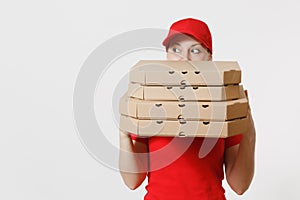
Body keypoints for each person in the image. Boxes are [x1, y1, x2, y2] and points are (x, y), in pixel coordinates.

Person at [119, 18, 256, 200]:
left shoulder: (223, 106)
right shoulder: (151, 101)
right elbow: (132, 181)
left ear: (209, 58)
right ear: (166, 55)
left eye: (195, 50)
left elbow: (239, 186)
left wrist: (249, 134)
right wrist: (123, 135)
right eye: (176, 50)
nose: (184, 58)